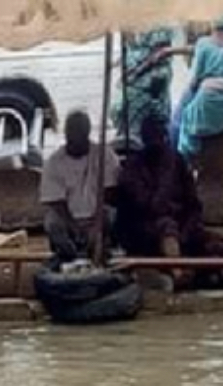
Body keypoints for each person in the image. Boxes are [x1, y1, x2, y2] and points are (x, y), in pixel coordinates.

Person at [115, 115, 222, 267]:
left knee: (212, 241)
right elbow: (151, 207)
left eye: (161, 135)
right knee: (166, 227)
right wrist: (166, 174)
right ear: (144, 138)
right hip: (145, 229)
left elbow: (193, 204)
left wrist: (188, 228)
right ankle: (177, 269)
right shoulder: (134, 167)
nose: (158, 141)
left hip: (181, 225)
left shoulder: (177, 161)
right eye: (153, 136)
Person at [40, 110, 120, 264]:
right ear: (66, 134)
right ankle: (67, 255)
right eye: (72, 134)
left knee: (112, 215)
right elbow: (56, 202)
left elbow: (110, 193)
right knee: (52, 222)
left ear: (87, 134)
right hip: (68, 217)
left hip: (97, 214)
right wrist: (73, 226)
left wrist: (96, 224)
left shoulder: (104, 155)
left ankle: (102, 250)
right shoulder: (55, 161)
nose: (76, 140)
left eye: (80, 134)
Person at [118, 28, 188, 148]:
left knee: (152, 121)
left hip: (151, 79)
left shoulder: (158, 27)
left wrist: (134, 73)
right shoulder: (137, 26)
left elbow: (159, 54)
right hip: (140, 78)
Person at [177, 18, 223, 158]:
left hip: (208, 100)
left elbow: (195, 79)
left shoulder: (204, 43)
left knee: (184, 116)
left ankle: (187, 156)